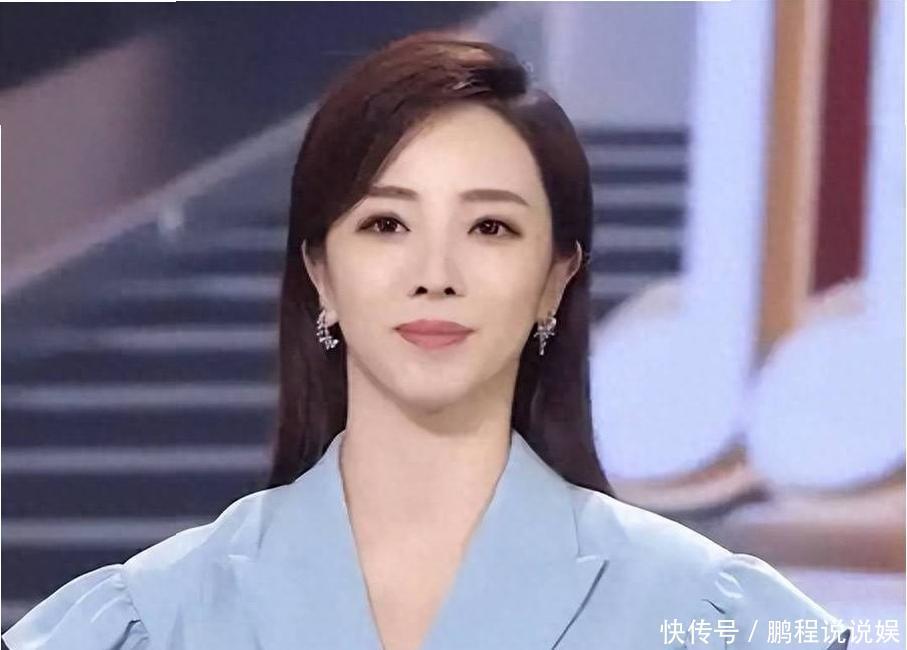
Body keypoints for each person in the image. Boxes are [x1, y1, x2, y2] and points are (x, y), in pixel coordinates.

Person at [2, 31, 852, 650]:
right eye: (385, 225)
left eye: (489, 227)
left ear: (555, 278)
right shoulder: (155, 620)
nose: (434, 273)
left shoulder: (703, 616)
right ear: (320, 272)